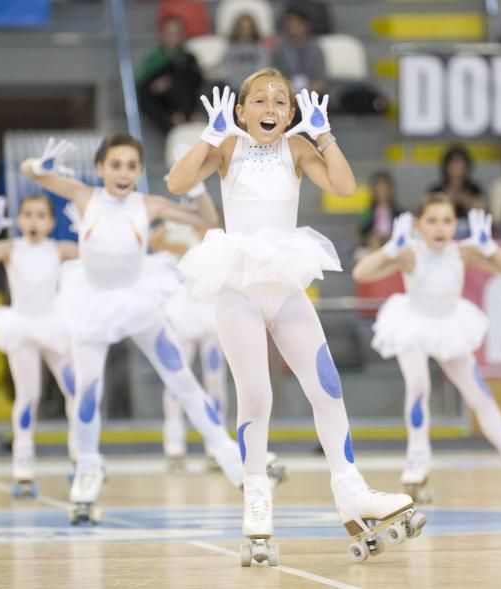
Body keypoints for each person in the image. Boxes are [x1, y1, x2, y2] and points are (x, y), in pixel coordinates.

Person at [168, 71, 425, 564]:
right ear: (241, 111)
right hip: (238, 286)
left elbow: (346, 186)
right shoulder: (227, 146)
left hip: (284, 287)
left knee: (327, 388)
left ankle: (350, 488)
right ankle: (256, 495)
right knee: (256, 395)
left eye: (281, 100)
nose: (271, 105)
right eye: (259, 99)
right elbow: (180, 182)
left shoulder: (299, 149)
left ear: (291, 113)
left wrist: (324, 134)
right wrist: (209, 135)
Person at [20, 133, 249, 523]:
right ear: (100, 168)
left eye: (131, 166)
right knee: (89, 393)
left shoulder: (150, 204)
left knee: (181, 379)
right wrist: (36, 167)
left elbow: (208, 221)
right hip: (91, 303)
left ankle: (228, 454)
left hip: (138, 299)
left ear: (140, 171)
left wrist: (196, 187)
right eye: (115, 165)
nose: (123, 173)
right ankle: (88, 468)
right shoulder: (83, 196)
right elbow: (33, 175)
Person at [353, 194, 501, 503]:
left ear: (455, 224)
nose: (440, 228)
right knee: (418, 386)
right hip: (413, 325)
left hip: (450, 325)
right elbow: (361, 273)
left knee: (480, 396)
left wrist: (489, 246)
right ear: (418, 225)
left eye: (446, 220)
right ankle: (417, 460)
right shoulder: (410, 253)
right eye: (431, 221)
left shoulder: (462, 251)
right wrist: (389, 248)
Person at [0, 194, 80, 498]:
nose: (34, 221)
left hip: (53, 325)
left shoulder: (61, 249)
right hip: (22, 327)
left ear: (51, 222)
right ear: (19, 220)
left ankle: (81, 457)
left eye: (41, 215)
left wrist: (85, 230)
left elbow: (101, 261)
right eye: (27, 214)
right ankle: (23, 467)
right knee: (29, 396)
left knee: (74, 391)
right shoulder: (10, 249)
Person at [148, 205, 230, 474]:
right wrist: (172, 222)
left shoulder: (225, 245)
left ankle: (216, 447)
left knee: (215, 381)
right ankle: (174, 445)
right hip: (184, 316)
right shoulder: (184, 243)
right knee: (176, 379)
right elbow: (153, 241)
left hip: (214, 315)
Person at [136, 15, 204, 134]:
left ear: (182, 35)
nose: (173, 37)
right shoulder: (153, 59)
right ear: (162, 34)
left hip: (185, 100)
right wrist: (156, 85)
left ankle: (185, 115)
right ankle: (172, 121)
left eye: (177, 33)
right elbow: (143, 83)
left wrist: (171, 80)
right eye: (169, 33)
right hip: (162, 104)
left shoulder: (189, 57)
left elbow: (197, 81)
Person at [427, 144, 486, 239]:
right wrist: (446, 201)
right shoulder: (437, 189)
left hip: (469, 230)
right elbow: (427, 213)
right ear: (446, 166)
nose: (456, 167)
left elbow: (483, 212)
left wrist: (467, 201)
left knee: (463, 227)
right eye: (453, 163)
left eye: (460, 163)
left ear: (467, 166)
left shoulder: (474, 188)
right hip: (442, 229)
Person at [272, 7, 326, 95]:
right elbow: (273, 76)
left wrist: (307, 93)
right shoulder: (278, 49)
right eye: (289, 22)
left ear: (305, 25)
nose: (292, 25)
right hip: (285, 93)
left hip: (312, 93)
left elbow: (320, 80)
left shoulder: (316, 49)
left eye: (296, 22)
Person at [357, 170, 404, 252]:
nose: (382, 192)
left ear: (391, 190)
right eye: (379, 189)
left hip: (392, 241)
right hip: (373, 243)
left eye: (385, 189)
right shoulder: (369, 212)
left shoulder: (398, 212)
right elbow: (361, 230)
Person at [223, 13, 270, 91]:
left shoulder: (260, 47)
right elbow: (225, 67)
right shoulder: (231, 47)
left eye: (248, 27)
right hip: (233, 87)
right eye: (242, 27)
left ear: (253, 28)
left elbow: (263, 68)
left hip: (255, 87)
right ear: (237, 29)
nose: (245, 31)